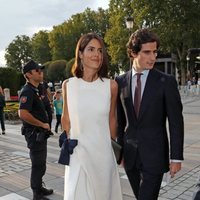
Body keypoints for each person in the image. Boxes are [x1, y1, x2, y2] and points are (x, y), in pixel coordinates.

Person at [116, 28, 184, 200]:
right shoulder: (120, 81)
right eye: (147, 52)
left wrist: (176, 157)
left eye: (155, 52)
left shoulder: (166, 82)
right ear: (133, 53)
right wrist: (120, 152)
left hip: (155, 154)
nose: (153, 57)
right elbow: (120, 121)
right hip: (130, 155)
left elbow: (176, 122)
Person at [61, 32, 123, 200]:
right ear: (80, 54)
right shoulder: (68, 85)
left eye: (100, 50)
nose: (97, 54)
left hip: (103, 155)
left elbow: (112, 120)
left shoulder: (111, 86)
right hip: (78, 154)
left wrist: (114, 149)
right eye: (91, 49)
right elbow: (65, 120)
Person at [18, 60, 53, 200]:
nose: (41, 72)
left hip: (40, 134)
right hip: (34, 134)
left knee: (41, 163)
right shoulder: (27, 91)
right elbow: (23, 113)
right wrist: (41, 124)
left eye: (41, 70)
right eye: (37, 70)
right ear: (29, 74)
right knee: (38, 164)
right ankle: (36, 194)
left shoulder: (36, 89)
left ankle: (39, 187)